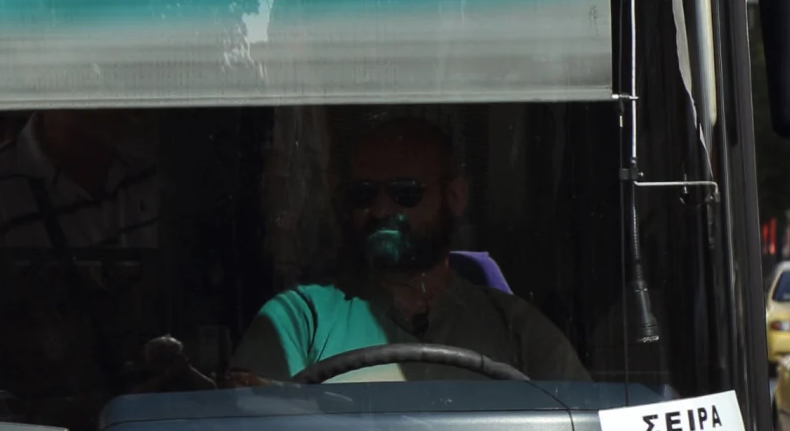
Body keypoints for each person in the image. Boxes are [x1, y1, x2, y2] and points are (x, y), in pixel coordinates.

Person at [238, 113, 583, 383]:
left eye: (405, 192)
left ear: (454, 197)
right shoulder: (301, 319)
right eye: (364, 194)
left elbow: (587, 425)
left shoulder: (515, 329)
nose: (382, 209)